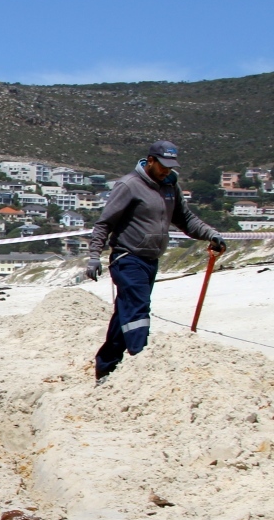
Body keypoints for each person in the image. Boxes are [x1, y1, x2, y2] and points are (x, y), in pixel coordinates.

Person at [87, 140, 225, 381]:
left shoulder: (170, 186)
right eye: (163, 166)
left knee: (125, 314)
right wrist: (93, 257)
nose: (167, 171)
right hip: (128, 257)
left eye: (171, 167)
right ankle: (142, 363)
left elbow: (186, 219)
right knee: (139, 310)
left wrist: (211, 234)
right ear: (150, 160)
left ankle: (106, 367)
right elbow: (104, 223)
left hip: (151, 260)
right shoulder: (129, 185)